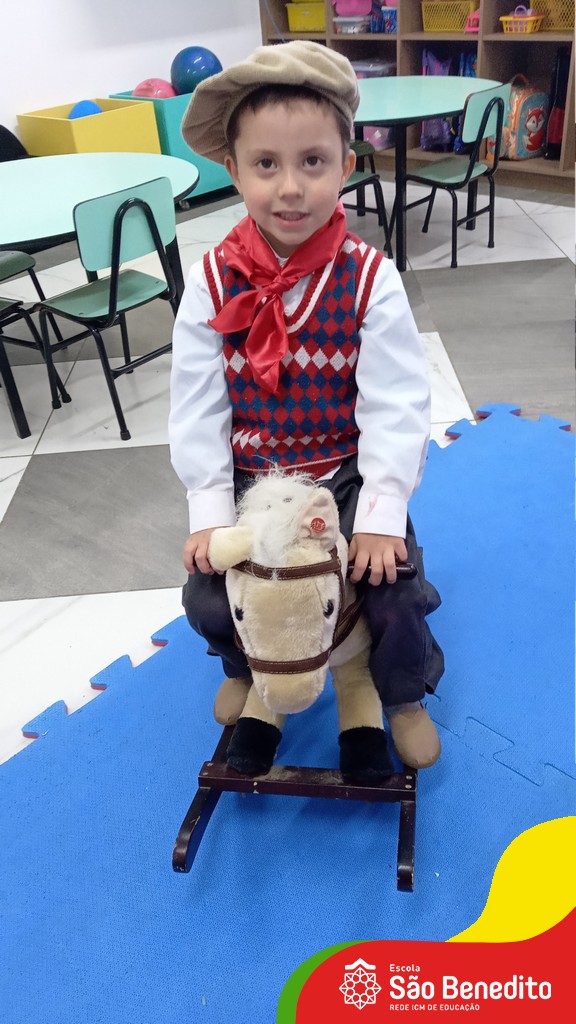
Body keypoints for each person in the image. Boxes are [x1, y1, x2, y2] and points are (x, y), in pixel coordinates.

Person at [169, 40, 444, 769]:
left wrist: (380, 513)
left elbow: (396, 402)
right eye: (266, 164)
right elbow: (197, 402)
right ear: (233, 170)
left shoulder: (369, 279)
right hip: (250, 478)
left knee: (391, 591)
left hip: (342, 473)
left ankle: (401, 693)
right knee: (206, 597)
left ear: (346, 166)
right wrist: (209, 507)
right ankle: (249, 668)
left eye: (312, 162)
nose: (290, 188)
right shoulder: (210, 281)